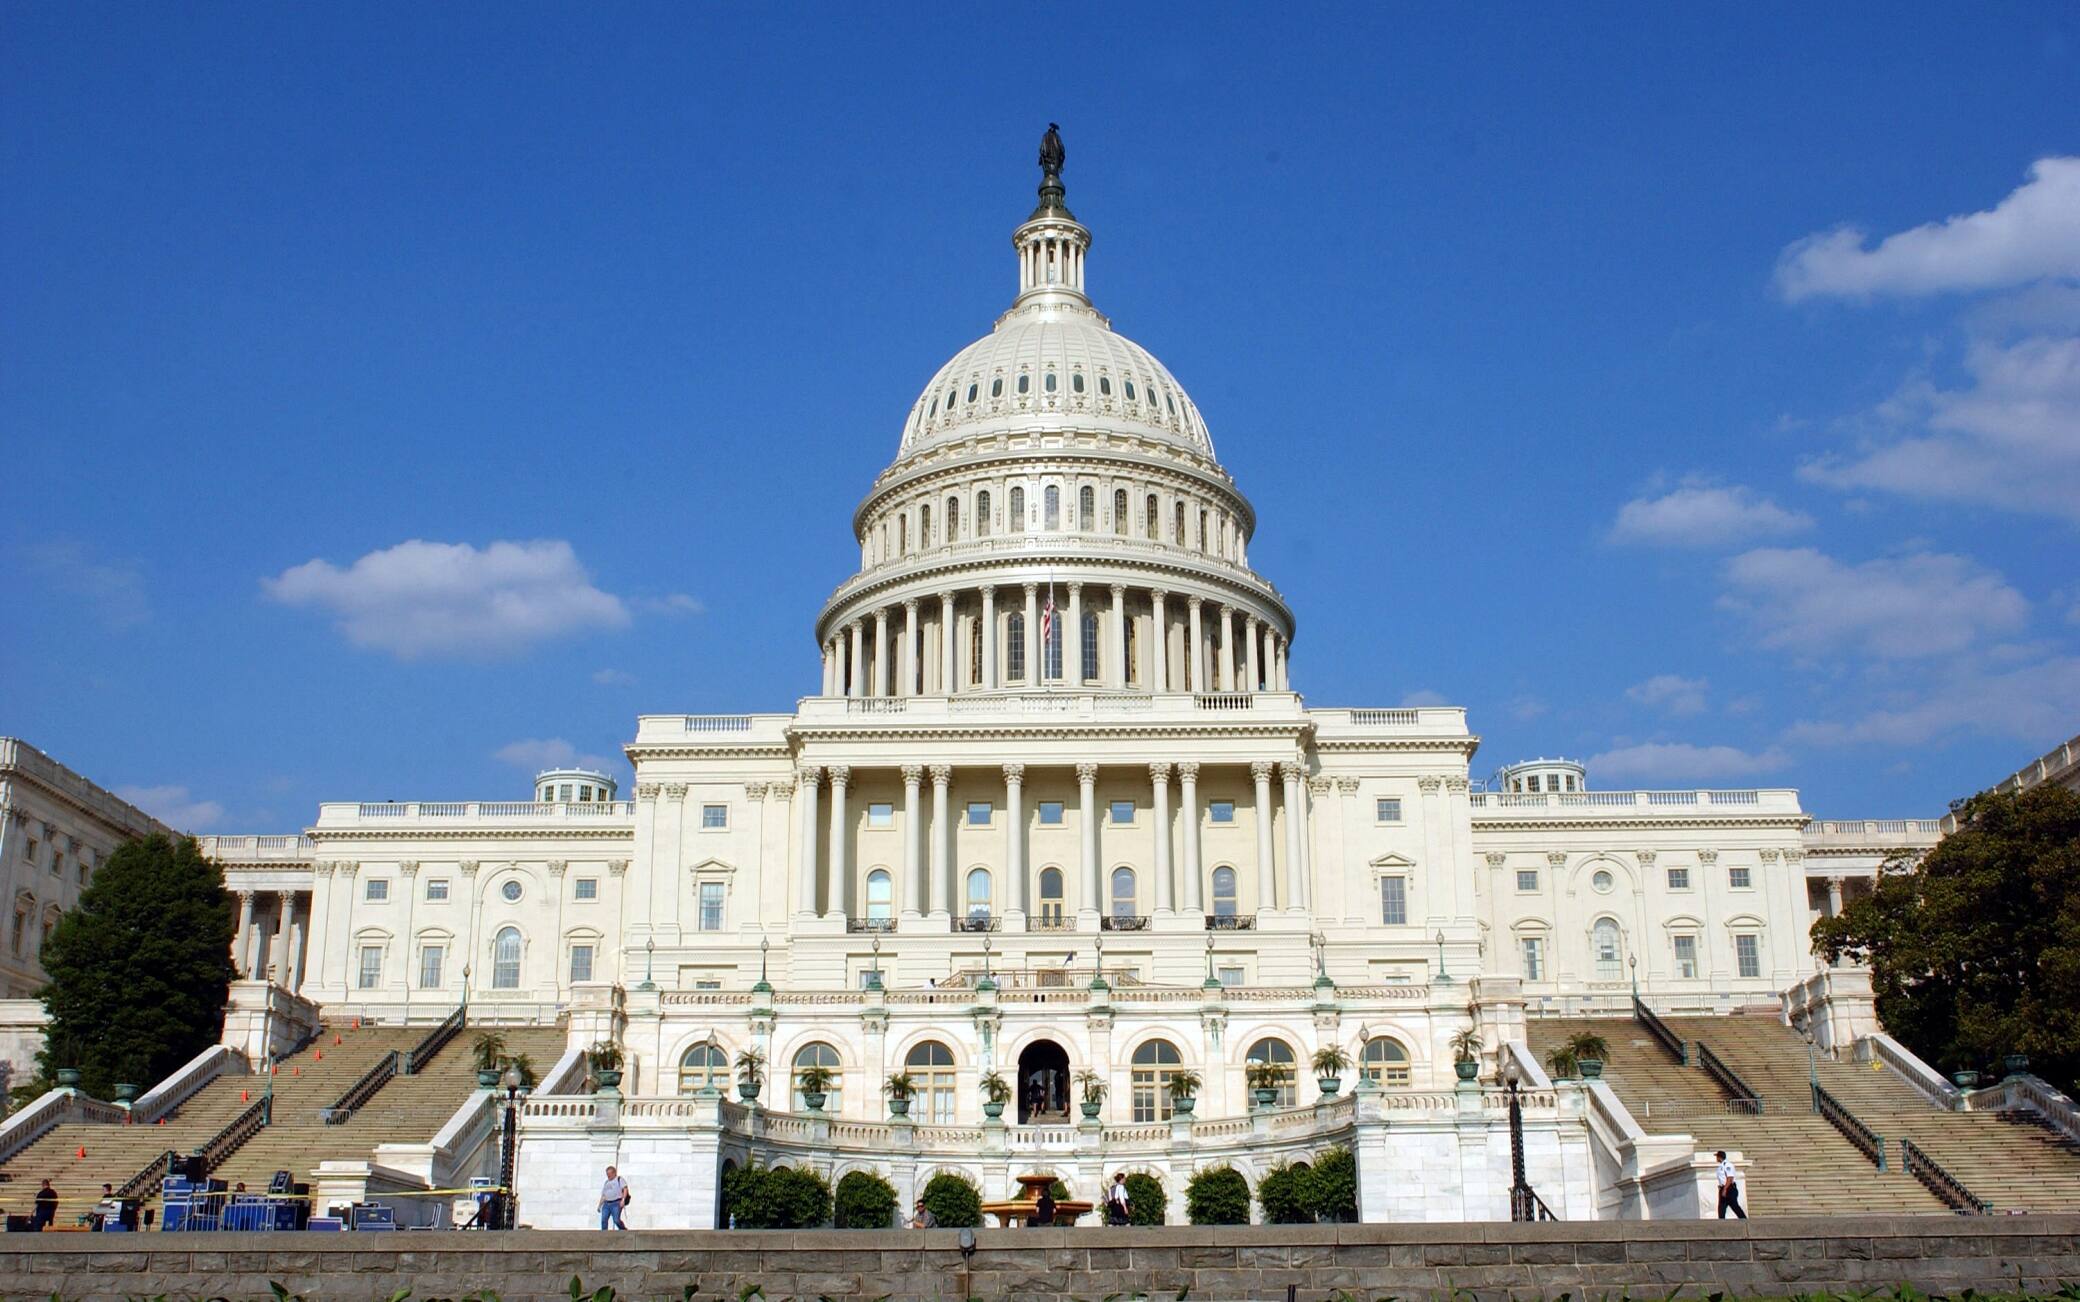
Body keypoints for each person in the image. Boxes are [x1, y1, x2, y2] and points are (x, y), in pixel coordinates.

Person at [1715, 1150, 1746, 1219]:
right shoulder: (1721, 1166)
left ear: (1719, 1157)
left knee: (1735, 1206)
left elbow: (1730, 1178)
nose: (1716, 1158)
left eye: (1717, 1156)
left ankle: (1744, 1220)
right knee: (1721, 1209)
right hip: (1723, 1188)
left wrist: (1725, 1189)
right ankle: (1722, 1224)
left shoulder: (1728, 1165)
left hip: (1729, 1189)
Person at [598, 1164, 630, 1229]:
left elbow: (625, 1189)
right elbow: (604, 1195)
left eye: (609, 1173)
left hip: (616, 1203)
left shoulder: (619, 1179)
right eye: (607, 1174)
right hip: (606, 1204)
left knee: (616, 1220)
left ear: (614, 1173)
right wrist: (599, 1205)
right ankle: (603, 1235)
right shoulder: (606, 1182)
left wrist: (623, 1200)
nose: (608, 1175)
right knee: (604, 1220)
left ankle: (623, 1229)